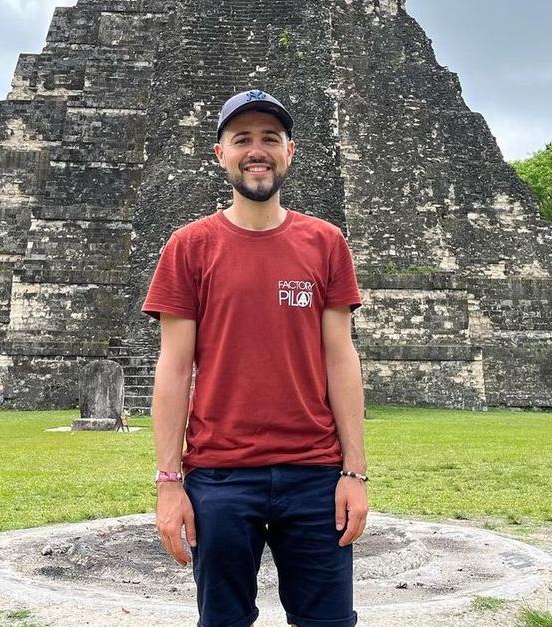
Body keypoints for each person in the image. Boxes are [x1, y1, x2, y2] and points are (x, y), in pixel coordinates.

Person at [142, 89, 368, 627]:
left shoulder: (326, 242)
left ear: (291, 151)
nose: (257, 150)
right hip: (220, 476)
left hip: (314, 474)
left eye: (270, 138)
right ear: (220, 154)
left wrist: (354, 473)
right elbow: (173, 368)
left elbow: (341, 359)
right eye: (242, 139)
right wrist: (169, 483)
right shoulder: (189, 246)